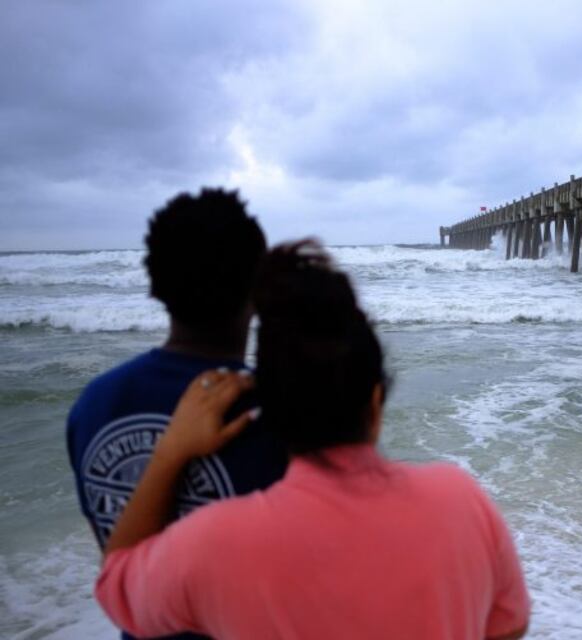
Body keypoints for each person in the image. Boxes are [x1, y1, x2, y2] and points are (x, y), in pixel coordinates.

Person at [94, 241, 531, 639]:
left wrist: (170, 452)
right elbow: (510, 624)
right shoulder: (461, 501)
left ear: (270, 410)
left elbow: (118, 587)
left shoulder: (215, 544)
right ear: (374, 401)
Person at [66, 189, 289, 640]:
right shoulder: (282, 416)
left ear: (154, 286)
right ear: (257, 290)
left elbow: (117, 559)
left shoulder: (93, 405)